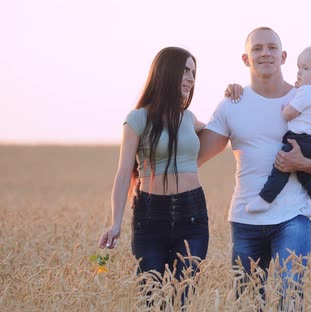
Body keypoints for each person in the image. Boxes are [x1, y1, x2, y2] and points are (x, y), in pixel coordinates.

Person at [198, 27, 311, 309]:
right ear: (245, 58)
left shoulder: (306, 98)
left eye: (272, 47)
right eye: (257, 48)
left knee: (290, 293)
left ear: (283, 56)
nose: (265, 53)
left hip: (293, 216)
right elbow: (197, 154)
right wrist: (187, 121)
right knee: (248, 301)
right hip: (246, 219)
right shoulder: (231, 104)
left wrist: (302, 163)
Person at [97, 47, 209, 305]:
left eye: (194, 72)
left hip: (192, 215)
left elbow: (223, 130)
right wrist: (115, 224)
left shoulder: (190, 119)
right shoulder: (137, 119)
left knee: (182, 298)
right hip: (150, 217)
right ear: (166, 72)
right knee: (152, 299)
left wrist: (234, 95)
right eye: (185, 70)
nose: (192, 79)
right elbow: (124, 174)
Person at [245, 45, 311, 216]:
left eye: (305, 68)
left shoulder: (307, 92)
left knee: (282, 165)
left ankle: (265, 199)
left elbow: (289, 114)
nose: (299, 72)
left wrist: (286, 107)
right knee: (303, 172)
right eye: (298, 68)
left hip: (302, 140)